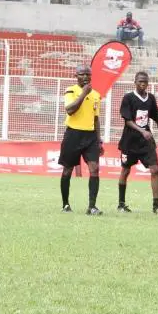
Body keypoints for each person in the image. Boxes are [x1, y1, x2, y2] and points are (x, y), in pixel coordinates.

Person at [117, 71, 158, 215]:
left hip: (146, 141)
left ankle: (156, 205)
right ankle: (121, 204)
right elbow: (128, 121)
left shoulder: (150, 98)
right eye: (140, 81)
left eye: (145, 81)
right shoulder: (128, 98)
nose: (143, 84)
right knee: (125, 170)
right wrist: (142, 131)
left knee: (155, 170)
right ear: (135, 82)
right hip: (130, 140)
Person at [58, 65, 103, 215]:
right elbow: (70, 110)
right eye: (82, 74)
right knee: (67, 170)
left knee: (94, 169)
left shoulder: (96, 95)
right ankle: (65, 204)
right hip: (73, 134)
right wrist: (83, 93)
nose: (85, 77)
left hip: (90, 136)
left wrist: (99, 140)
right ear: (75, 76)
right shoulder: (70, 91)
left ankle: (92, 207)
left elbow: (96, 119)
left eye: (88, 74)